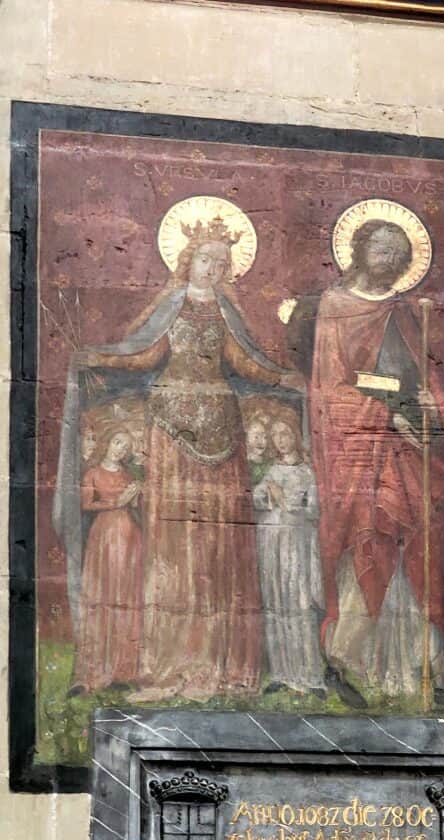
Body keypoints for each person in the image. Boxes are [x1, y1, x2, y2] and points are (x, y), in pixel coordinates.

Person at [55, 215, 303, 697]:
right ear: (188, 262)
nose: (212, 269)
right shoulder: (170, 307)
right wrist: (99, 357)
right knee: (174, 540)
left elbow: (245, 363)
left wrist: (281, 378)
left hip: (223, 427)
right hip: (169, 426)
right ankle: (170, 658)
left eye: (222, 264)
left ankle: (220, 660)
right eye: (206, 259)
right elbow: (143, 355)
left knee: (220, 542)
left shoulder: (228, 315)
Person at [306, 216, 444, 710]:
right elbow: (329, 390)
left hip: (409, 451)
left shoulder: (404, 311)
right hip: (364, 453)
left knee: (421, 554)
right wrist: (384, 417)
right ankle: (344, 663)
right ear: (358, 251)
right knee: (371, 546)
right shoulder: (334, 308)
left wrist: (431, 408)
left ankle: (429, 676)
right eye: (382, 251)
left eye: (400, 256)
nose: (392, 263)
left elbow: (425, 376)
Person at [252, 416, 326, 699]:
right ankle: (282, 673)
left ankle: (310, 676)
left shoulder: (307, 473)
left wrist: (289, 503)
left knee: (299, 604)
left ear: (295, 436)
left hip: (296, 542)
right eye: (276, 436)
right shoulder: (270, 470)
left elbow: (314, 511)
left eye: (285, 433)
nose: (281, 440)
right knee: (276, 604)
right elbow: (257, 500)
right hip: (271, 540)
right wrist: (267, 494)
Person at [71, 430, 143, 693]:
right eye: (117, 442)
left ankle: (122, 671)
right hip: (103, 538)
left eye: (126, 446)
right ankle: (95, 670)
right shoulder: (92, 473)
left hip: (130, 541)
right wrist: (117, 501)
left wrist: (136, 496)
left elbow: (136, 507)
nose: (120, 449)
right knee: (103, 597)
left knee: (125, 598)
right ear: (108, 442)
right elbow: (86, 504)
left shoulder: (128, 476)